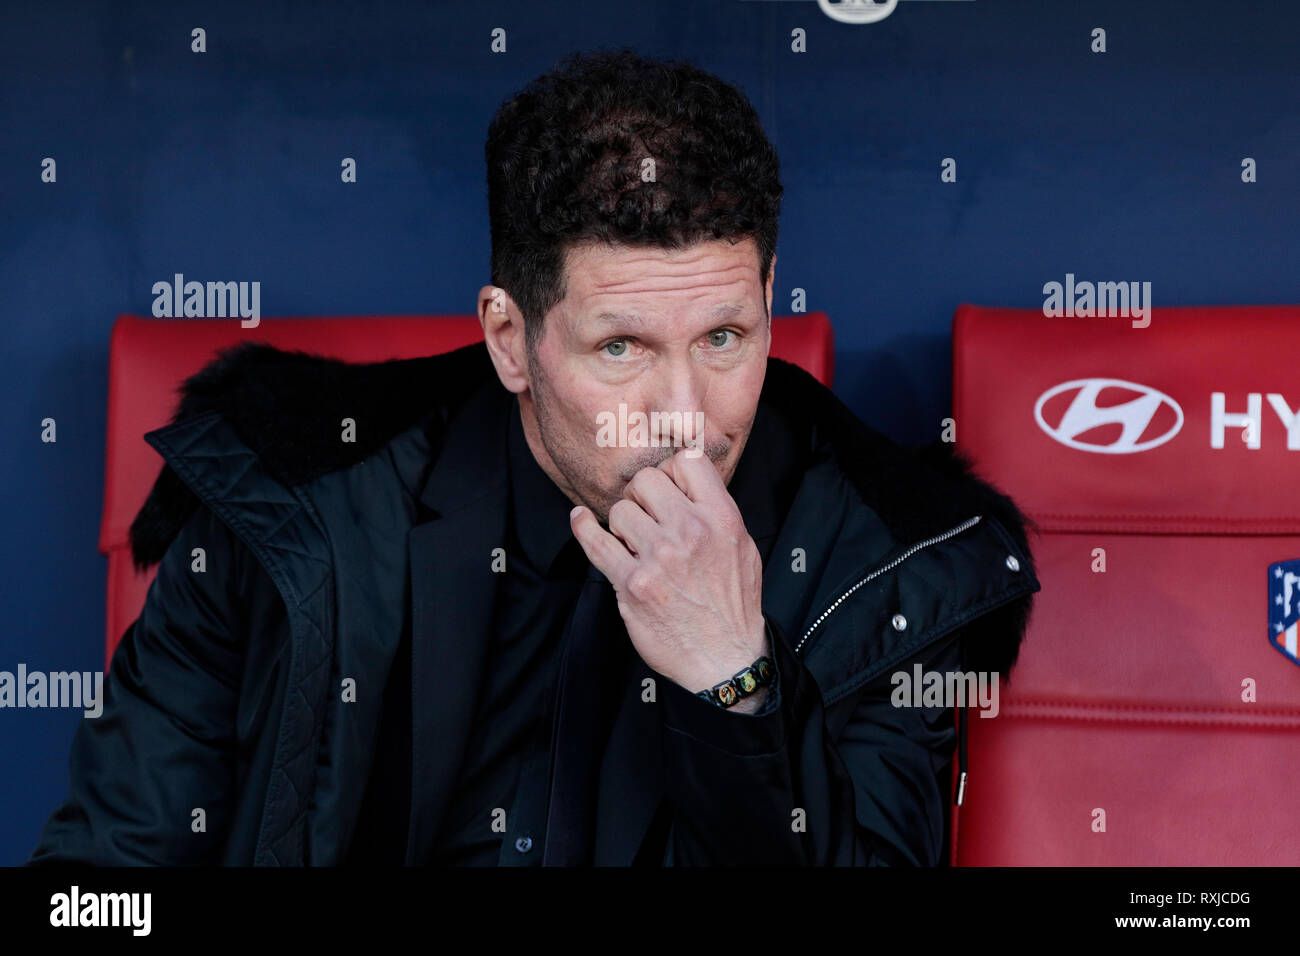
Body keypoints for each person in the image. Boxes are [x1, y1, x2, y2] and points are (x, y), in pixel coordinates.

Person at [29, 48, 1039, 867]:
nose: (684, 416)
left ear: (769, 297)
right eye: (620, 349)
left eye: (724, 338)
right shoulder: (293, 501)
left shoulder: (881, 565)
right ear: (509, 338)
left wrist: (735, 684)